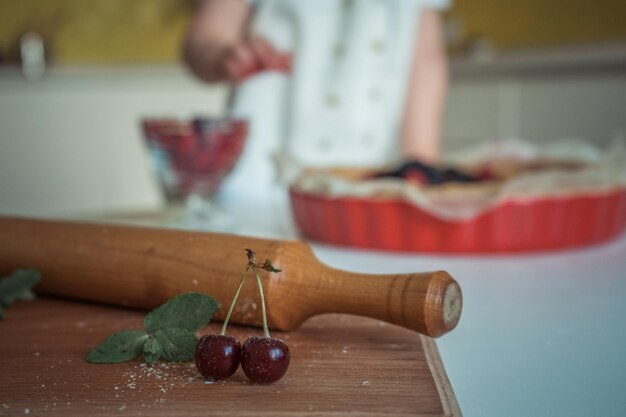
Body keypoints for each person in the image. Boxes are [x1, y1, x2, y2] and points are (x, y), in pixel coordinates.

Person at [184, 0, 450, 218]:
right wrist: (226, 56)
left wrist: (422, 171)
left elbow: (425, 62)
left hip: (371, 181)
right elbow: (205, 37)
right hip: (261, 173)